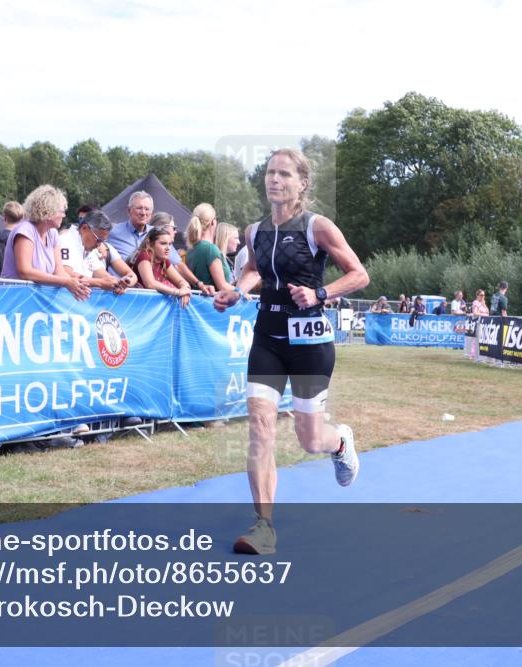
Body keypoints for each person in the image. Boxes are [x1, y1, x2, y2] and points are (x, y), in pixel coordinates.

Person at [213, 148, 369, 555]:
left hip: (310, 340)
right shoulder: (254, 232)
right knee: (260, 426)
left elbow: (359, 274)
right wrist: (236, 291)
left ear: (302, 183)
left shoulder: (319, 228)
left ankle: (339, 443)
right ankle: (264, 526)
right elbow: (253, 270)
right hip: (268, 334)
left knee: (309, 437)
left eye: (284, 174)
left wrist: (320, 292)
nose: (274, 180)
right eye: (269, 173)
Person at [0, 185, 91, 301]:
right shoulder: (25, 230)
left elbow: (59, 271)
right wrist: (67, 282)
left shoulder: (53, 233)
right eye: (62, 211)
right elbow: (25, 272)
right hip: (12, 299)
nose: (64, 215)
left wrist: (77, 284)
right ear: (48, 211)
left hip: (34, 299)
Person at [58, 209, 138, 292]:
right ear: (84, 228)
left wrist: (118, 284)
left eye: (103, 241)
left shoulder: (87, 246)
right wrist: (100, 283)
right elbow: (66, 274)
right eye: (98, 239)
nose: (99, 245)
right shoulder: (66, 240)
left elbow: (103, 276)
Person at [131, 226, 191, 308]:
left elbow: (181, 281)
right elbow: (150, 284)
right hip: (139, 307)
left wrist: (185, 291)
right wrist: (177, 292)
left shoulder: (164, 260)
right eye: (163, 243)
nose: (168, 248)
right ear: (149, 243)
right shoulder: (144, 256)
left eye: (170, 244)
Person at [186, 203, 232, 291]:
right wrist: (241, 292)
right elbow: (222, 286)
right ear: (213, 222)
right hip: (214, 302)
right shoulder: (210, 249)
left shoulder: (191, 249)